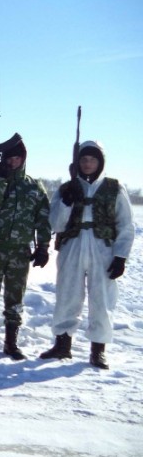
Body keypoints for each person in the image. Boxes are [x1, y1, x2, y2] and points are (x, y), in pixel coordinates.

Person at [40, 140, 134, 369]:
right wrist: (66, 203)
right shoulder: (66, 188)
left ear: (100, 162)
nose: (88, 163)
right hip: (72, 245)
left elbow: (125, 224)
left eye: (93, 159)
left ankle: (98, 350)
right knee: (67, 294)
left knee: (102, 298)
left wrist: (120, 256)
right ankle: (62, 344)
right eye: (84, 159)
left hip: (103, 248)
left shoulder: (114, 188)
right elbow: (56, 224)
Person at [0, 135, 51, 360]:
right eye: (9, 158)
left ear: (23, 159)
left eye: (17, 158)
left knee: (15, 298)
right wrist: (1, 179)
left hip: (20, 251)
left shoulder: (34, 187)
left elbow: (43, 218)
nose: (13, 162)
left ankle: (11, 343)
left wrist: (43, 246)